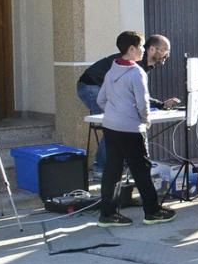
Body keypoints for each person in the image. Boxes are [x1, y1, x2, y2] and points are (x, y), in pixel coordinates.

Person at [95, 31, 176, 227]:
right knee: (141, 169)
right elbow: (142, 104)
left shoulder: (112, 69)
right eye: (140, 47)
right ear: (131, 49)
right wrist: (145, 120)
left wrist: (115, 112)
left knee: (112, 170)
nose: (143, 50)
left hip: (111, 126)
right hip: (131, 129)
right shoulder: (136, 72)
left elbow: (100, 100)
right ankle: (152, 211)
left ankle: (108, 214)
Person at [77, 34, 180, 176]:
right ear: (151, 49)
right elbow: (135, 97)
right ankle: (100, 168)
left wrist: (161, 105)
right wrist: (146, 116)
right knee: (113, 124)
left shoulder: (141, 65)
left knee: (119, 123)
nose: (167, 55)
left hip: (100, 87)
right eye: (164, 50)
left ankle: (122, 167)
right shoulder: (135, 63)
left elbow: (138, 95)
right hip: (91, 86)